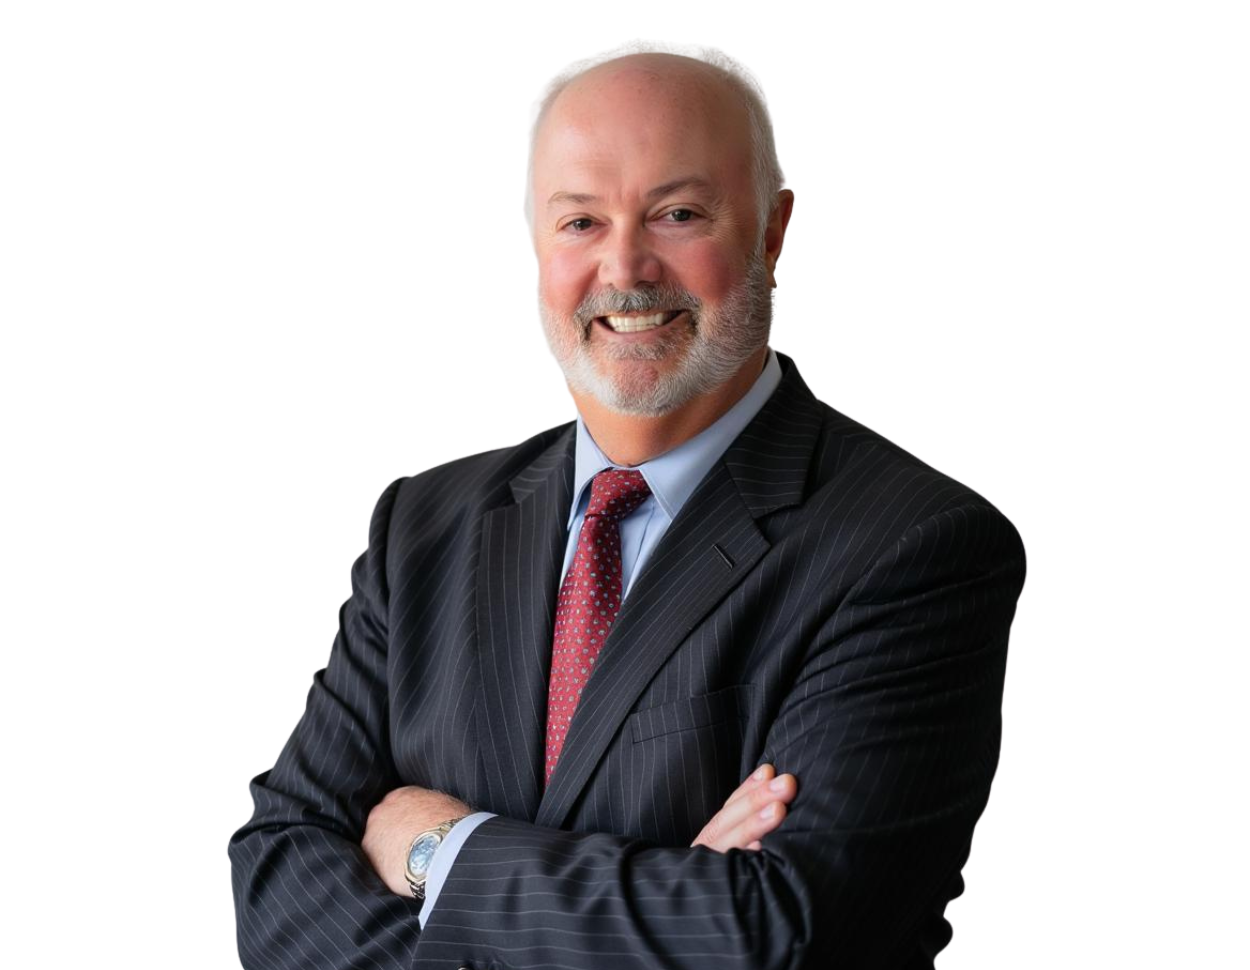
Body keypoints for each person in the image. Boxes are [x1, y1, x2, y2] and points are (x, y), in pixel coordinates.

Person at [227, 38, 1026, 969]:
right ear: (532, 240)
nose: (627, 267)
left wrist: (437, 848)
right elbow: (274, 877)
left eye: (678, 212)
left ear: (773, 227)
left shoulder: (915, 543)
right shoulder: (422, 522)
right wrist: (669, 899)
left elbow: (782, 937)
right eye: (580, 222)